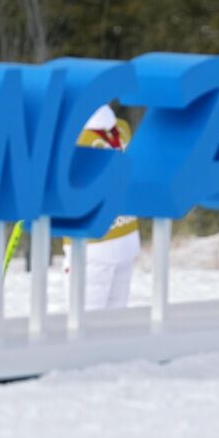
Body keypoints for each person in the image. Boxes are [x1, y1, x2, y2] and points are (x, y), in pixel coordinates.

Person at [64, 104, 141, 310]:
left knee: (82, 323)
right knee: (113, 326)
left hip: (91, 246)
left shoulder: (73, 138)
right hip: (125, 235)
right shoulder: (122, 128)